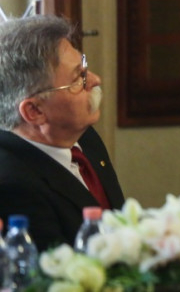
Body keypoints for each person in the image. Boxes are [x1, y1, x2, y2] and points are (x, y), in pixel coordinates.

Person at [0, 14, 124, 250]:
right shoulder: (12, 186)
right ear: (34, 111)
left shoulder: (85, 138)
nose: (95, 80)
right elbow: (57, 267)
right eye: (78, 78)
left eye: (85, 68)